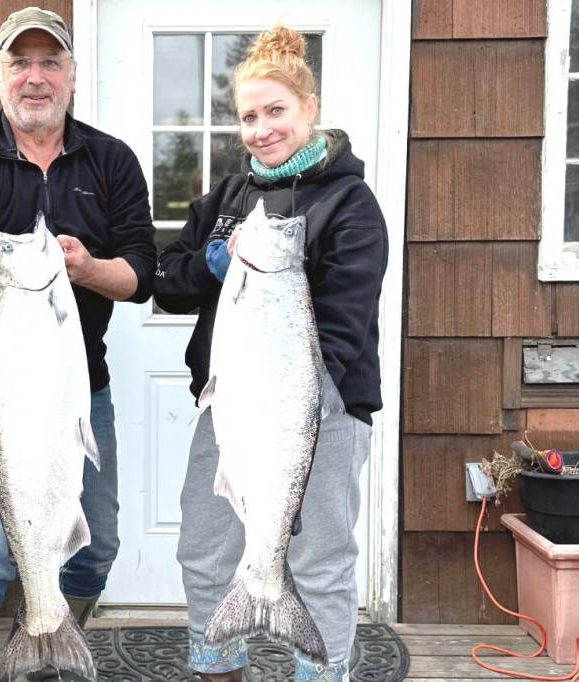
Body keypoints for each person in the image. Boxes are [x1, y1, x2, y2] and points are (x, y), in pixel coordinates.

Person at [0, 7, 157, 680]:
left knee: (94, 547)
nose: (35, 77)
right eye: (19, 62)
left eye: (49, 62)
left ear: (72, 76)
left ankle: (47, 643)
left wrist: (85, 270)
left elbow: (141, 272)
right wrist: (24, 337)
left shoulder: (111, 161)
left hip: (79, 388)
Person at [153, 24, 388, 682]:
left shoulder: (350, 203)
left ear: (309, 109)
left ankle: (319, 672)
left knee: (319, 565)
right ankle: (219, 665)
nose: (261, 128)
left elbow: (343, 325)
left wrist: (296, 411)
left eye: (275, 111)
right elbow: (166, 284)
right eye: (248, 116)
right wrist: (211, 262)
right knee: (204, 549)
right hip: (231, 411)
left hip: (324, 414)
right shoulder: (227, 200)